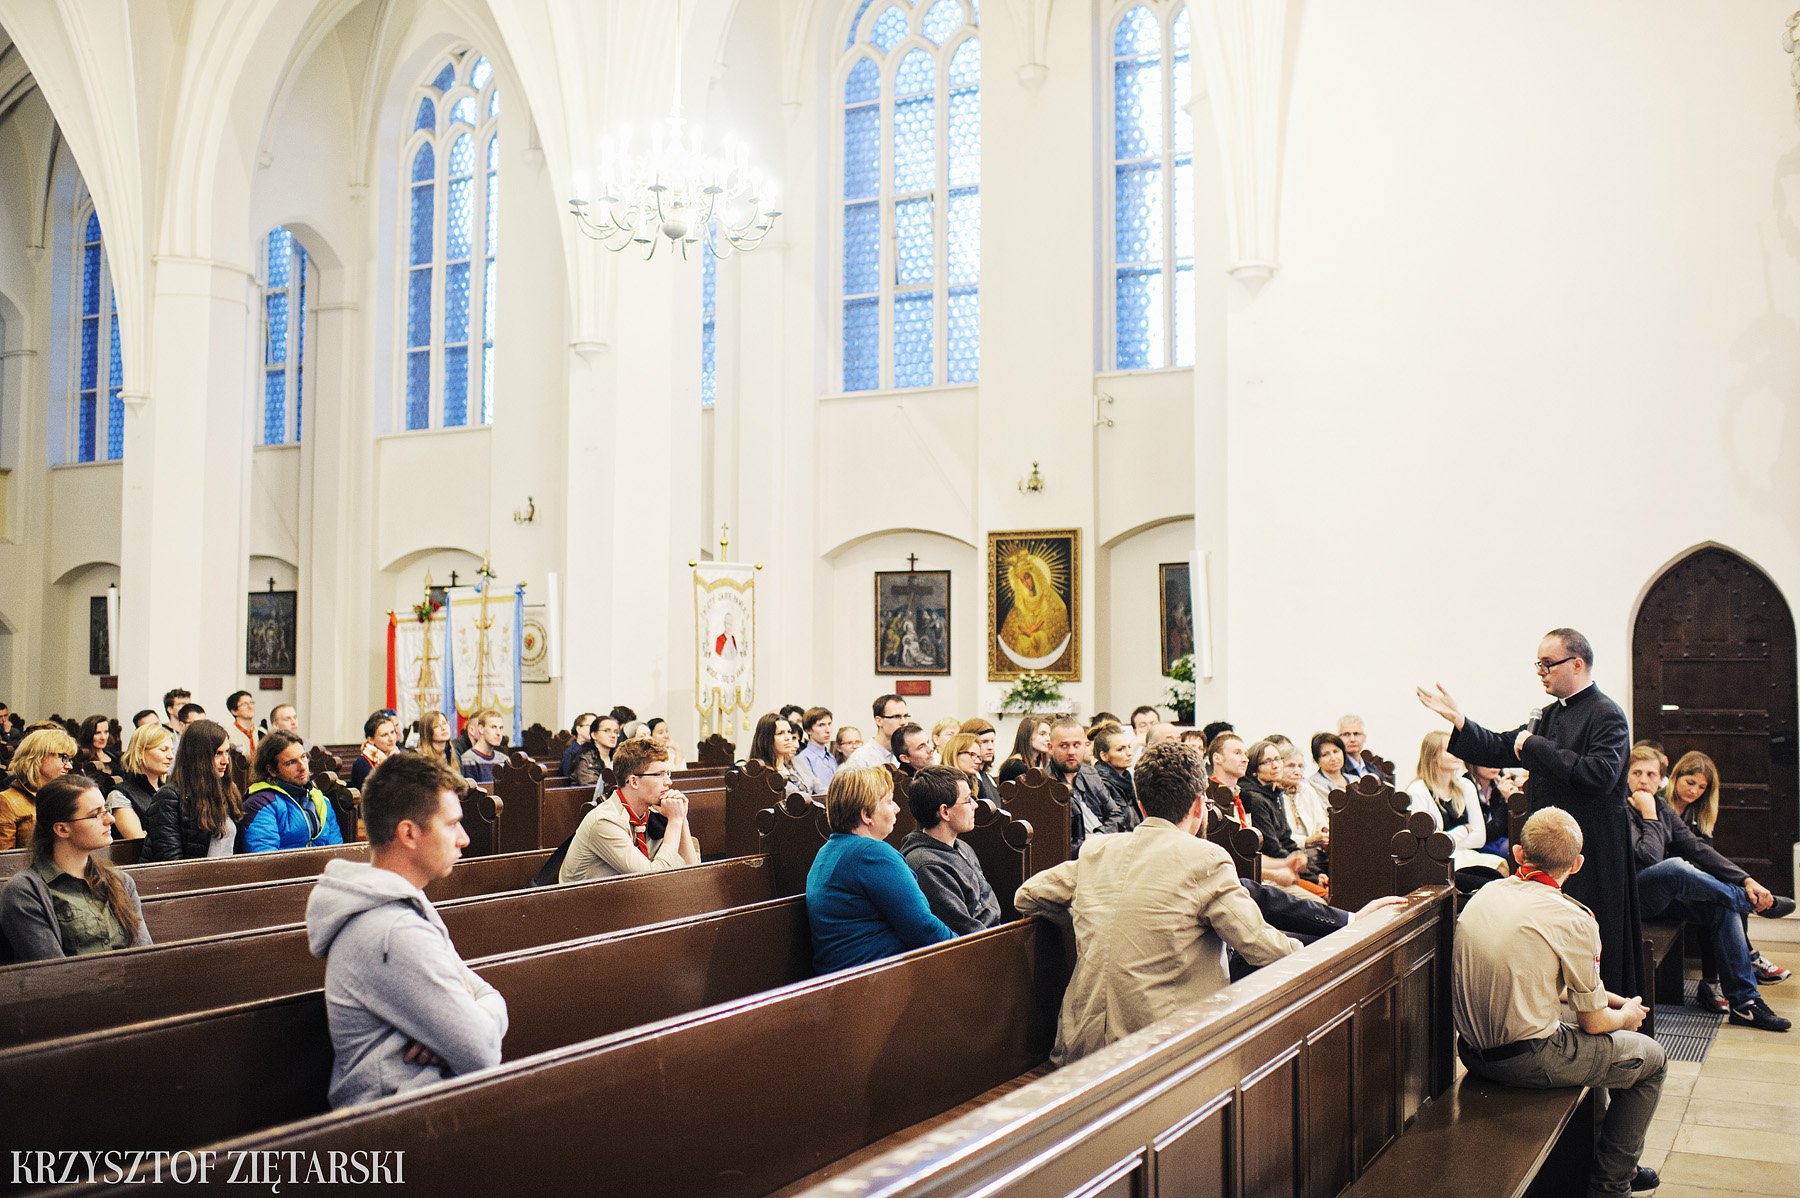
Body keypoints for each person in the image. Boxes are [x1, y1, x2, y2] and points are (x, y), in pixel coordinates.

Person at [1016, 741, 1304, 1065]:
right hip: (1163, 1052)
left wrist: (1088, 920)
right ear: (1199, 804)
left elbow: (1028, 894)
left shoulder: (1099, 850)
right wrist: (1320, 953)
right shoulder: (1205, 858)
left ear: (1141, 805)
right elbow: (1263, 947)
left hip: (1080, 1047)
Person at [1453, 807, 1666, 1197]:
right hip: (1524, 1060)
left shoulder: (1487, 893)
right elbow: (1594, 1024)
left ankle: (1600, 1158)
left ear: (1519, 853)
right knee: (1650, 1060)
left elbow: (1528, 976)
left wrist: (1605, 1000)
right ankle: (1612, 1183)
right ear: (1578, 863)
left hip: (1472, 1051)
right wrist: (1627, 1015)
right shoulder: (1575, 917)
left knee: (1601, 1053)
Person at [1419, 626, 1644, 996]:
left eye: (1547, 664)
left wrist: (1536, 746)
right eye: (1537, 664)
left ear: (1577, 663)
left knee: (1591, 939)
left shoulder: (1607, 715)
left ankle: (1604, 1014)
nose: (1540, 671)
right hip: (1549, 845)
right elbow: (1498, 747)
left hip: (1591, 848)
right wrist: (1459, 721)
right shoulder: (1549, 716)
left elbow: (1600, 775)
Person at [304, 753, 508, 1109]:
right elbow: (483, 1051)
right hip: (393, 1125)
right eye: (451, 824)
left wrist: (468, 1020)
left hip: (424, 1107)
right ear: (409, 833)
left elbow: (483, 997)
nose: (464, 839)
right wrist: (466, 1024)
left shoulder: (404, 905)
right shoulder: (393, 929)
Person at [1632, 749, 1793, 1022]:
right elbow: (1649, 857)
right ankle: (1747, 901)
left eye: (1651, 774)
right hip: (1634, 896)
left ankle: (1745, 1003)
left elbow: (1698, 849)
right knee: (1676, 867)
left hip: (1665, 899)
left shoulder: (1665, 811)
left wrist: (1746, 879)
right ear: (1626, 775)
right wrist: (1649, 814)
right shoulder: (1619, 809)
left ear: (1661, 779)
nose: (1644, 781)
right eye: (1637, 773)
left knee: (1722, 907)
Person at [805, 767, 954, 973]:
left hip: (844, 978)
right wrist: (972, 950)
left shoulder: (829, 850)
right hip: (873, 979)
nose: (897, 808)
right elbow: (922, 928)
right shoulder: (871, 853)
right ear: (867, 815)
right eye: (889, 801)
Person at [1664, 750, 1791, 989]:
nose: (1694, 791)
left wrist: (1739, 879)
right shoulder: (1659, 804)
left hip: (1692, 880)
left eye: (1702, 788)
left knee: (1720, 899)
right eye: (1690, 783)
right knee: (1718, 897)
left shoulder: (1697, 811)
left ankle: (1713, 983)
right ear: (1676, 777)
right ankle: (1748, 956)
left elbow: (1704, 853)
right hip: (1668, 882)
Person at [0, 776, 151, 961]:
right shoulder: (24, 891)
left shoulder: (121, 881)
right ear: (62, 829)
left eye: (106, 810)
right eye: (96, 814)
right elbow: (55, 974)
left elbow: (145, 958)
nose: (110, 819)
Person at [559, 736, 700, 882]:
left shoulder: (649, 813)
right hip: (584, 902)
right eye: (659, 775)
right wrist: (675, 821)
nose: (668, 782)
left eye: (667, 773)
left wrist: (681, 818)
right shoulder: (604, 822)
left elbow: (693, 872)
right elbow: (653, 880)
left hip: (624, 898)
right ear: (633, 781)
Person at [900, 764, 1002, 934]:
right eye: (968, 800)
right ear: (945, 812)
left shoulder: (963, 847)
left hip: (991, 936)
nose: (975, 805)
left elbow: (989, 902)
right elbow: (964, 928)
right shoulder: (926, 866)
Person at [1404, 731, 1505, 873]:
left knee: (1500, 868)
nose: (1457, 754)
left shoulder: (1465, 785)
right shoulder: (1418, 790)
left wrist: (1446, 838)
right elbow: (1430, 846)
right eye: (1449, 750)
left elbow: (1480, 838)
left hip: (1465, 854)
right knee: (1485, 878)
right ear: (1433, 756)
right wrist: (1464, 830)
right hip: (1437, 862)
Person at [142, 720, 243, 860]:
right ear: (199, 757)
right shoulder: (169, 797)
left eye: (227, 752)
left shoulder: (228, 791)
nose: (225, 760)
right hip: (188, 879)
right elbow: (170, 861)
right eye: (218, 753)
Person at [1046, 717, 1138, 856]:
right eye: (1064, 746)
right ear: (1050, 748)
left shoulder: (1090, 773)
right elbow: (1056, 842)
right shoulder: (1044, 785)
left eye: (1076, 745)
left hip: (1104, 850)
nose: (1071, 751)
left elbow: (1116, 814)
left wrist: (1098, 837)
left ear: (1085, 745)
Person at [243, 730, 345, 853]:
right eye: (291, 763)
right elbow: (264, 861)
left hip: (323, 871)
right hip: (285, 871)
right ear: (272, 770)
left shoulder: (321, 800)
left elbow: (337, 852)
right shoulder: (260, 804)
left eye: (303, 757)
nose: (302, 767)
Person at [1240, 738, 1318, 892]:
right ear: (1255, 770)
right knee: (1324, 896)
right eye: (1267, 761)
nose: (1275, 765)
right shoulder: (1256, 799)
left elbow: (1286, 840)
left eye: (1277, 759)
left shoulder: (1274, 793)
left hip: (1286, 865)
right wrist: (1313, 877)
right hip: (1269, 870)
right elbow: (1272, 848)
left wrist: (1316, 872)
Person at [0, 728, 76, 850]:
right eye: (63, 758)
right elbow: (6, 862)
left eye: (70, 759)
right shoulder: (6, 801)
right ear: (38, 757)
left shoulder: (65, 798)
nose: (69, 766)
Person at [106, 722, 176, 840]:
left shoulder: (172, 789)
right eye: (163, 750)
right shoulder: (120, 795)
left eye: (172, 750)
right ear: (140, 752)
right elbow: (139, 842)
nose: (171, 756)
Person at [748, 711, 812, 796]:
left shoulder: (790, 767)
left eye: (789, 732)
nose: (788, 738)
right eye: (780, 733)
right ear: (767, 739)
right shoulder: (762, 775)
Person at [842, 695, 909, 772]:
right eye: (897, 717)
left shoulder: (903, 754)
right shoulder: (860, 759)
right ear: (879, 721)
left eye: (906, 716)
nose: (904, 722)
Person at [1466, 763, 1519, 859]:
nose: (1493, 763)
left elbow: (1507, 831)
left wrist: (1515, 799)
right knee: (1510, 850)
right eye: (1486, 758)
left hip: (1497, 839)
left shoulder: (1498, 783)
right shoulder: (1466, 785)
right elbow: (1487, 835)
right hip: (1477, 843)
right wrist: (1506, 802)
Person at [1090, 725, 1137, 822]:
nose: (1129, 753)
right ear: (1104, 755)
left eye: (1129, 747)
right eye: (1120, 749)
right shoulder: (1100, 784)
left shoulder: (1126, 778)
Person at [567, 713, 620, 790]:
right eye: (606, 731)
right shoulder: (585, 758)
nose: (613, 735)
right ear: (594, 735)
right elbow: (592, 789)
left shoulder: (617, 756)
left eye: (616, 732)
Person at [349, 711, 400, 789]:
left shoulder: (400, 756)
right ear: (371, 740)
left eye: (392, 732)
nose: (391, 738)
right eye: (384, 735)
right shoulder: (362, 764)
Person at [997, 716, 1052, 785]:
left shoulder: (1035, 761)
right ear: (1027, 736)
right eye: (1042, 734)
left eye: (1049, 735)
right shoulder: (1016, 766)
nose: (1048, 739)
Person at [796, 707, 837, 796]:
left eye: (829, 724)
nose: (828, 730)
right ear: (809, 730)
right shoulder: (803, 758)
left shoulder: (831, 757)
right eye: (821, 725)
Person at [459, 710, 505, 785]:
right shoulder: (468, 760)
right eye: (493, 727)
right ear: (481, 729)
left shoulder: (503, 759)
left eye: (501, 728)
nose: (498, 733)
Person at [72, 715, 117, 782]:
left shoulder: (114, 757)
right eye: (97, 733)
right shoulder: (81, 760)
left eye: (106, 732)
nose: (103, 737)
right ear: (88, 734)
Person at [559, 713, 597, 777]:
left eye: (596, 727)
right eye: (591, 726)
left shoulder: (598, 749)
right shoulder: (571, 752)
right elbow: (569, 776)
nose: (594, 730)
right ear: (579, 729)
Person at [1337, 714, 1374, 779]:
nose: (1352, 739)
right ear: (1338, 738)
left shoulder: (1373, 769)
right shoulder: (1337, 771)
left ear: (1364, 738)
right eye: (1347, 734)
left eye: (1356, 734)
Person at [225, 691, 258, 755]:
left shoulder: (261, 732)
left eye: (251, 703)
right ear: (234, 711)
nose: (250, 707)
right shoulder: (228, 734)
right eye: (245, 704)